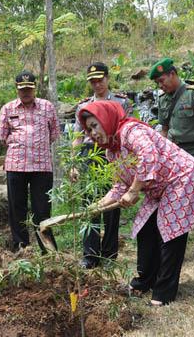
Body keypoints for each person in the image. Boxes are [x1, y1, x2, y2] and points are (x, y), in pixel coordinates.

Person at [77, 101, 194, 306]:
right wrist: (96, 206)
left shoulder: (130, 131)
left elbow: (148, 156)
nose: (92, 133)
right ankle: (144, 282)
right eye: (88, 130)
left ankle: (163, 292)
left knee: (171, 231)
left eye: (94, 126)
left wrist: (134, 190)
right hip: (158, 188)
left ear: (105, 119)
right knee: (145, 229)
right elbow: (119, 186)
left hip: (181, 178)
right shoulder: (112, 152)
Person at [149, 57, 194, 272]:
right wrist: (159, 155)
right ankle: (170, 249)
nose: (161, 86)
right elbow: (164, 127)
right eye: (158, 83)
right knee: (170, 202)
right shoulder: (163, 98)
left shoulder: (193, 92)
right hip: (173, 155)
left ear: (173, 74)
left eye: (162, 80)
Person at [72, 62, 132, 269]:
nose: (97, 84)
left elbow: (127, 130)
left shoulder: (121, 102)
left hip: (113, 153)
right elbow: (78, 136)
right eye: (93, 81)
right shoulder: (83, 106)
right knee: (90, 204)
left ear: (107, 78)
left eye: (100, 80)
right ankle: (89, 255)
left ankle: (108, 254)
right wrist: (74, 163)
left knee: (112, 204)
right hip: (90, 154)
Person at [0, 70, 60, 253]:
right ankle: (21, 248)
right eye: (22, 89)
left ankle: (47, 250)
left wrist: (36, 146)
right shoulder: (7, 109)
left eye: (29, 89)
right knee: (17, 209)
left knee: (42, 210)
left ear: (35, 88)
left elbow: (54, 134)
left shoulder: (47, 107)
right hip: (16, 165)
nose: (26, 92)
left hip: (42, 166)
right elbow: (2, 137)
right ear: (16, 88)